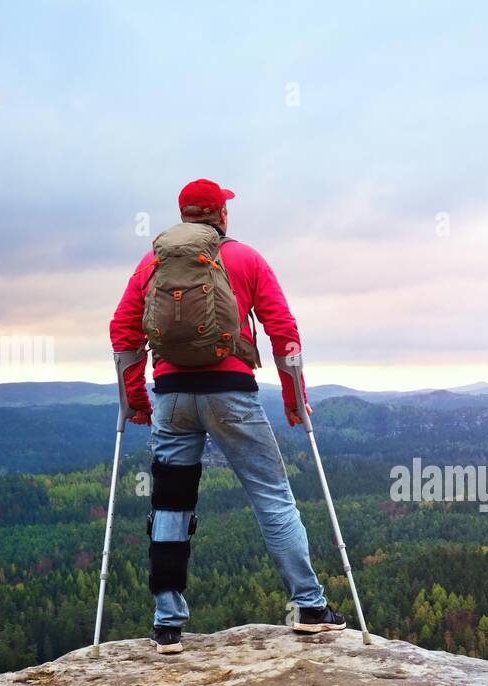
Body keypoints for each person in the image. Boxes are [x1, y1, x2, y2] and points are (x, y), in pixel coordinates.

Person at [109, 178, 345, 654]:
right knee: (272, 498)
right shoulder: (245, 259)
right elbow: (283, 328)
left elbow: (123, 330)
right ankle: (310, 607)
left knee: (171, 504)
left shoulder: (152, 261)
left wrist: (135, 400)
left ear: (183, 215)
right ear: (221, 215)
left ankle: (167, 624)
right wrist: (294, 399)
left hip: (172, 396)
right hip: (231, 394)